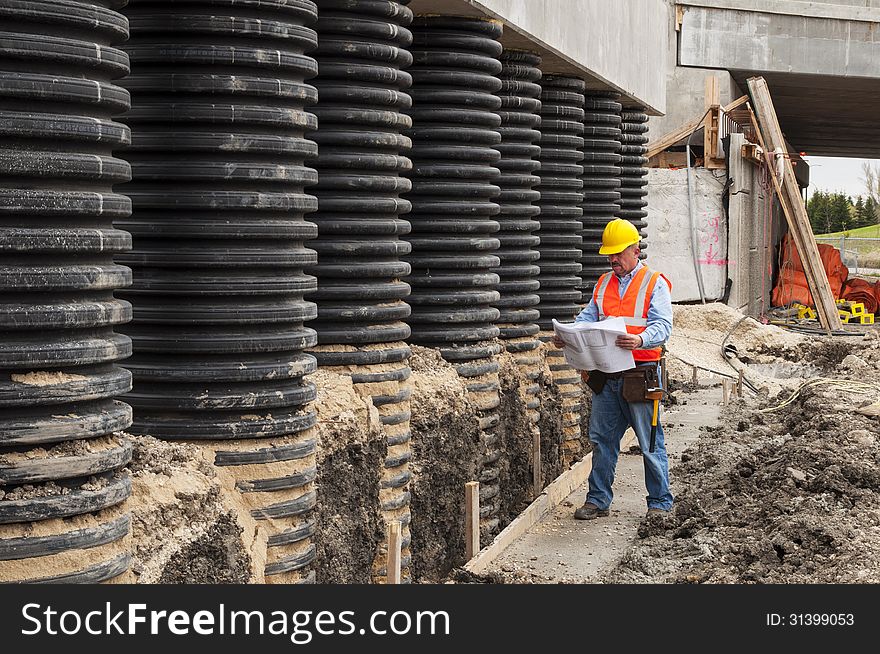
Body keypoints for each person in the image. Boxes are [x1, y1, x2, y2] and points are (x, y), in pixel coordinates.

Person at [552, 218, 674, 520]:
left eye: (619, 253)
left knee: (649, 443)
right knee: (602, 441)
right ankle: (598, 500)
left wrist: (641, 338)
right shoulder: (604, 283)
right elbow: (587, 318)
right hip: (607, 377)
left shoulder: (653, 282)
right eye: (610, 254)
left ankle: (659, 503)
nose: (613, 259)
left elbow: (663, 326)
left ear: (636, 250)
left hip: (640, 373)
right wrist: (568, 336)